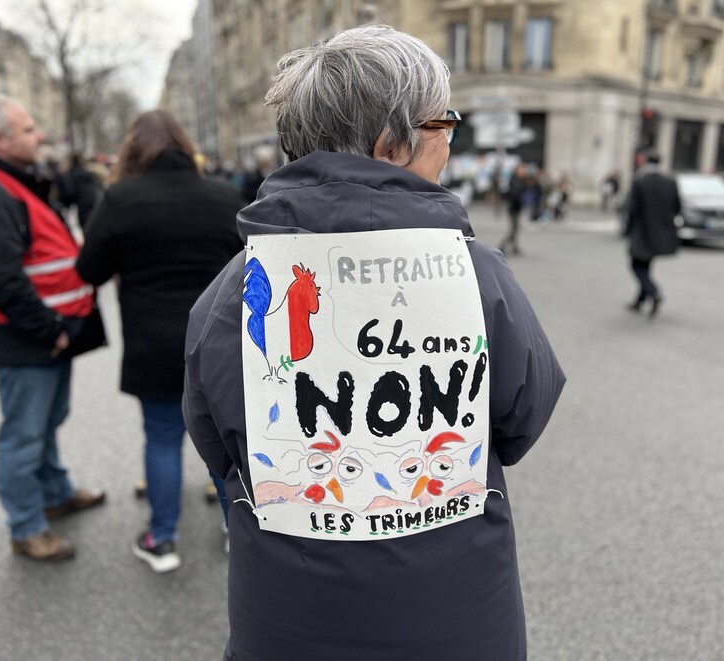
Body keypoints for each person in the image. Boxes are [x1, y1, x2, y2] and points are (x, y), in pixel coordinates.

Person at [183, 26, 565, 660]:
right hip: (457, 615)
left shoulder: (235, 291)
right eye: (444, 122)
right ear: (393, 143)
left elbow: (217, 442)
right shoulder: (476, 274)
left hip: (288, 618)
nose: (449, 139)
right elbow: (524, 415)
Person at [76, 109, 244, 573]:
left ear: (133, 149)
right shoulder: (223, 196)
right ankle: (237, 532)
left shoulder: (119, 198)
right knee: (225, 438)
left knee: (162, 437)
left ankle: (162, 539)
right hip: (216, 340)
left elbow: (88, 269)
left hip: (151, 340)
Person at [0, 95, 107, 561]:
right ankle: (26, 526)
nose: (38, 135)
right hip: (28, 338)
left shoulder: (10, 183)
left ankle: (55, 493)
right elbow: (0, 279)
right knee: (23, 434)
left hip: (45, 335)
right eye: (27, 129)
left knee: (46, 422)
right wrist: (50, 330)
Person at [624, 152, 681, 317]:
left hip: (642, 232)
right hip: (661, 233)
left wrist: (628, 231)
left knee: (636, 266)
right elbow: (677, 207)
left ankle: (653, 292)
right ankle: (640, 300)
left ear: (646, 162)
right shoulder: (670, 182)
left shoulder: (640, 182)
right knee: (646, 266)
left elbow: (632, 209)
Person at [500, 162, 528, 255]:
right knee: (514, 229)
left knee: (516, 228)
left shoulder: (520, 181)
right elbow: (514, 194)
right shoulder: (515, 181)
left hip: (517, 207)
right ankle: (502, 246)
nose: (523, 172)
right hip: (513, 208)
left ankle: (514, 247)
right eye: (521, 170)